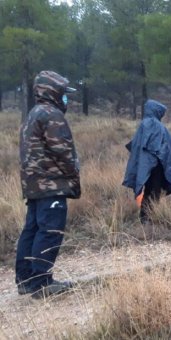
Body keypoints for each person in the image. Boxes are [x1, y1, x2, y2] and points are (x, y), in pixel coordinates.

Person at [16, 70, 80, 299]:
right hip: (51, 185)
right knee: (50, 231)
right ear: (54, 92)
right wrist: (73, 175)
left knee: (31, 230)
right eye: (64, 94)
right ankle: (42, 283)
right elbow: (62, 152)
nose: (67, 99)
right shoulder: (52, 115)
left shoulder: (33, 114)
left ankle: (25, 280)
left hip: (34, 186)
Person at [123, 100, 171, 224]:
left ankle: (145, 217)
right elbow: (163, 148)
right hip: (155, 166)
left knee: (148, 190)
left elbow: (136, 145)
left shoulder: (143, 124)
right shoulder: (156, 125)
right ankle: (147, 217)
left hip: (146, 165)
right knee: (154, 191)